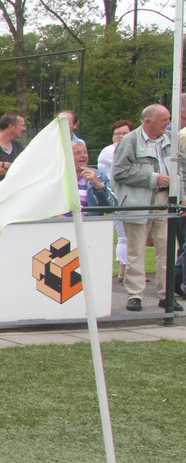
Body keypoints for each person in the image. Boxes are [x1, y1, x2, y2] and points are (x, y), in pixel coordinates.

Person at [111, 103, 174, 312]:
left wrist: (181, 197)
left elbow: (182, 169)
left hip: (165, 201)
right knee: (136, 250)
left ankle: (166, 295)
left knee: (166, 250)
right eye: (164, 119)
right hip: (138, 202)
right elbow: (119, 172)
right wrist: (153, 179)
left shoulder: (172, 140)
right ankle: (135, 295)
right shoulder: (130, 140)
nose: (168, 123)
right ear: (148, 121)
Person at [98, 120, 134, 281]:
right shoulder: (109, 151)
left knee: (133, 236)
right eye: (117, 134)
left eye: (124, 133)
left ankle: (130, 269)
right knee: (124, 236)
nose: (120, 136)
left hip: (131, 197)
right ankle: (123, 271)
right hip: (116, 197)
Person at [73, 141, 118, 213]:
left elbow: (112, 207)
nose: (83, 155)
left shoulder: (99, 175)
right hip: (62, 220)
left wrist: (99, 185)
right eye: (78, 153)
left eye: (85, 152)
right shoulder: (58, 176)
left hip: (91, 220)